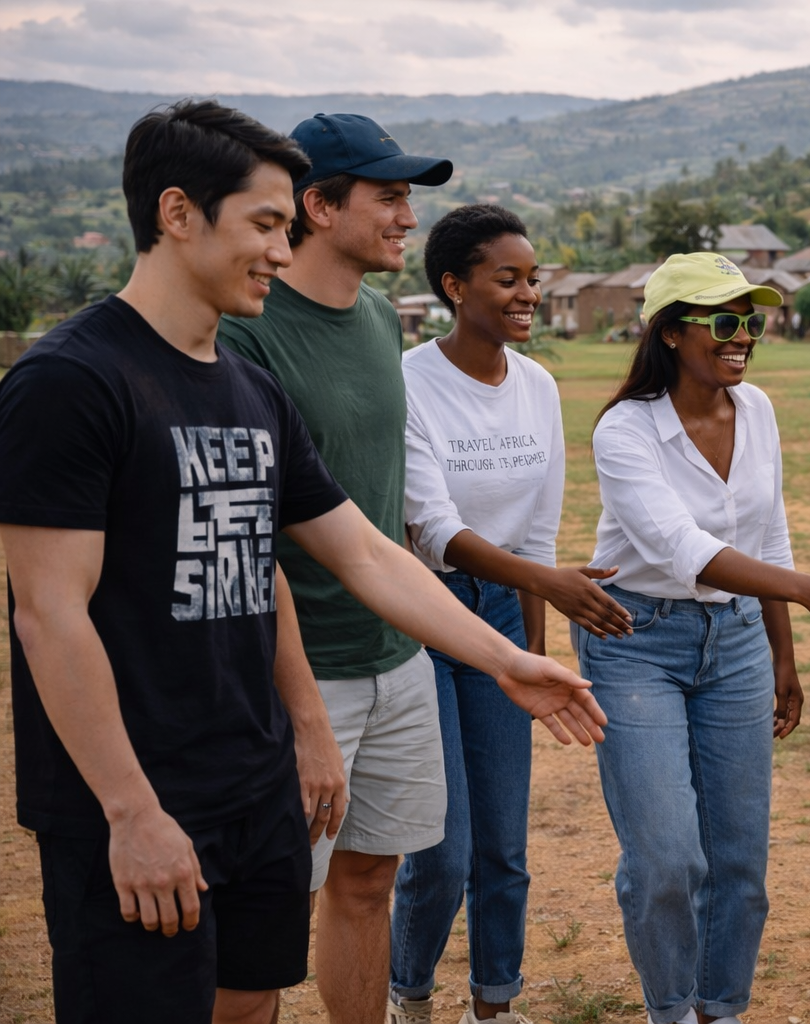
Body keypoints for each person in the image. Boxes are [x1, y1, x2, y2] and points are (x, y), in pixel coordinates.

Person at [0, 98, 604, 1024]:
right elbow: (50, 614)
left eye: (288, 227)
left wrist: (507, 659)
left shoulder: (245, 389)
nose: (283, 254)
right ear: (176, 214)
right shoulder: (70, 383)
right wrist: (128, 811)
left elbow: (362, 549)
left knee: (249, 1004)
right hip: (141, 792)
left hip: (251, 775)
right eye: (265, 226)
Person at [580, 252, 810, 1024]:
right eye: (725, 320)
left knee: (739, 862)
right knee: (665, 861)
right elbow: (678, 548)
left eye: (752, 320)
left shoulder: (756, 410)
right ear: (670, 334)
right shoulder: (625, 431)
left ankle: (720, 1008)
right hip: (636, 640)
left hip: (740, 643)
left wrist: (783, 653)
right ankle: (672, 1010)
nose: (744, 336)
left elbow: (768, 533)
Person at [216, 111, 457, 1024]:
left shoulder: (376, 314)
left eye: (408, 198)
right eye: (388, 196)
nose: (407, 216)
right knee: (265, 915)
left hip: (395, 659)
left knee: (368, 883)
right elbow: (255, 537)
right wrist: (305, 713)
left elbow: (373, 506)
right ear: (317, 205)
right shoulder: (249, 332)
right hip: (296, 676)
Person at [385, 206, 635, 1024]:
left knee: (504, 845)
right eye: (508, 278)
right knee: (443, 850)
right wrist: (552, 585)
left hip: (504, 613)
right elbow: (434, 529)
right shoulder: (410, 381)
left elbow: (535, 533)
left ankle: (493, 1007)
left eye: (533, 279)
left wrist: (528, 650)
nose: (528, 293)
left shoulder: (538, 384)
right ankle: (409, 996)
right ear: (455, 287)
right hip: (421, 611)